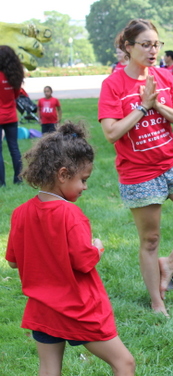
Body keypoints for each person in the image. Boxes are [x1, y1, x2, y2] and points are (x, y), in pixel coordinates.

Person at [98, 19, 173, 316]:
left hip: (172, 163)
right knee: (150, 240)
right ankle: (157, 303)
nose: (153, 50)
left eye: (156, 44)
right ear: (128, 47)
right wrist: (141, 107)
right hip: (139, 173)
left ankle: (171, 263)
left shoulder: (165, 77)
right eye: (146, 44)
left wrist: (157, 106)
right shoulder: (113, 85)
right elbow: (111, 133)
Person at [5, 122, 135, 376]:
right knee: (124, 363)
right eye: (83, 180)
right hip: (78, 309)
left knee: (49, 369)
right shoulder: (70, 214)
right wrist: (96, 248)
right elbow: (83, 261)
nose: (85, 187)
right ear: (63, 175)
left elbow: (12, 262)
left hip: (42, 310)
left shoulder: (20, 213)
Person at [0, 45, 24, 187]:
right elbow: (16, 95)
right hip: (11, 117)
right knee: (14, 148)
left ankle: (1, 183)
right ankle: (18, 179)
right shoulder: (15, 75)